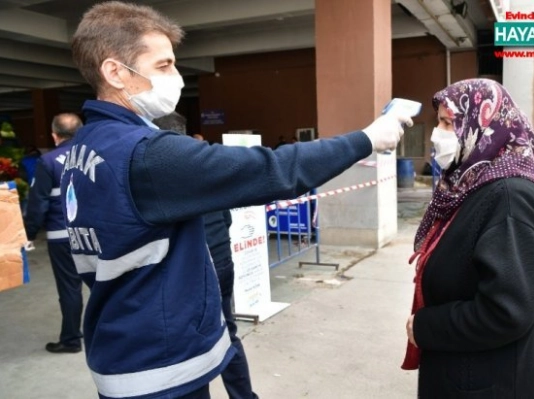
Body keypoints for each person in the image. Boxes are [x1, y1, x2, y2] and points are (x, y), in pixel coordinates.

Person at [64, 2, 411, 399]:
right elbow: (275, 169)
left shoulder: (86, 146)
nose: (175, 77)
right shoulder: (144, 154)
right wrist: (367, 138)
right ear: (115, 72)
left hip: (122, 341)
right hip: (159, 363)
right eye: (163, 66)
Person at [401, 78, 534, 398]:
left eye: (449, 123)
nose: (438, 134)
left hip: (490, 384)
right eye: (440, 123)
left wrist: (426, 326)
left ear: (482, 124)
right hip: (469, 373)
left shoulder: (509, 197)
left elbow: (507, 311)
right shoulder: (471, 183)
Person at [154, 112, 256, 399]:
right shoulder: (205, 161)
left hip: (191, 268)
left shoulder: (158, 168)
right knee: (229, 333)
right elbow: (226, 217)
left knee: (192, 345)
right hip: (221, 258)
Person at [24, 113, 85, 354]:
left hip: (63, 235)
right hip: (98, 233)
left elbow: (37, 203)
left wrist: (27, 235)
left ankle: (71, 340)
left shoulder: (47, 161)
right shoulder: (95, 157)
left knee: (70, 288)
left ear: (54, 135)